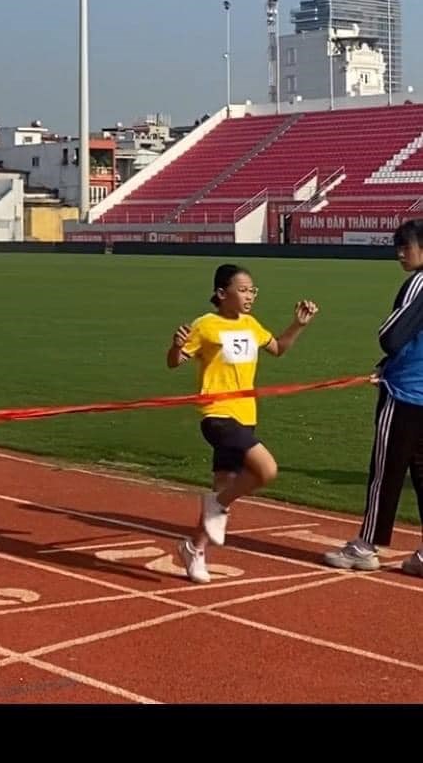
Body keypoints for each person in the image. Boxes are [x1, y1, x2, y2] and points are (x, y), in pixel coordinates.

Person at [167, 264, 319, 583]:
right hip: (217, 415)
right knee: (266, 470)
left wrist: (298, 325)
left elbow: (277, 348)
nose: (250, 296)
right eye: (244, 290)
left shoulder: (251, 324)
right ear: (222, 294)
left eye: (253, 290)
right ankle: (217, 504)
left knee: (224, 485)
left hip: (246, 415)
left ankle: (194, 549)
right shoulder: (205, 325)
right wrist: (177, 346)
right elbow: (175, 362)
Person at [324, 218, 423, 577]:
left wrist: (388, 358)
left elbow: (392, 336)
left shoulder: (419, 283)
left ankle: (366, 546)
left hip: (404, 392)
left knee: (386, 471)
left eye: (406, 246)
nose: (400, 253)